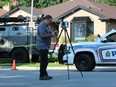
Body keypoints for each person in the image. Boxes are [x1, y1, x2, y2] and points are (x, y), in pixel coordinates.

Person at [36, 15, 57, 80]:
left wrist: (52, 33)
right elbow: (43, 35)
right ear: (46, 19)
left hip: (45, 46)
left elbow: (47, 33)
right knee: (44, 61)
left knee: (45, 61)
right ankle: (42, 75)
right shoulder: (42, 25)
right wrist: (51, 35)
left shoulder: (46, 26)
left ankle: (45, 74)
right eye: (50, 21)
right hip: (42, 46)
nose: (51, 22)